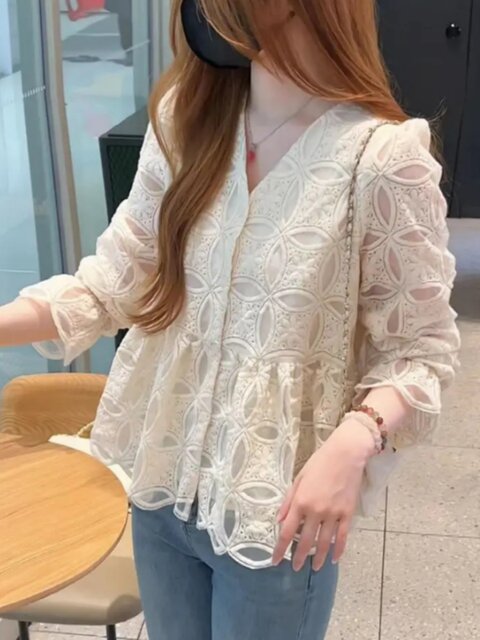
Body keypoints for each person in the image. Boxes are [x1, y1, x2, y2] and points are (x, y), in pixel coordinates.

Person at [0, 1, 461, 638]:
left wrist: (356, 438)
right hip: (160, 487)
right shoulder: (184, 124)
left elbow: (421, 349)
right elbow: (112, 282)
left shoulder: (380, 159)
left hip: (275, 516)